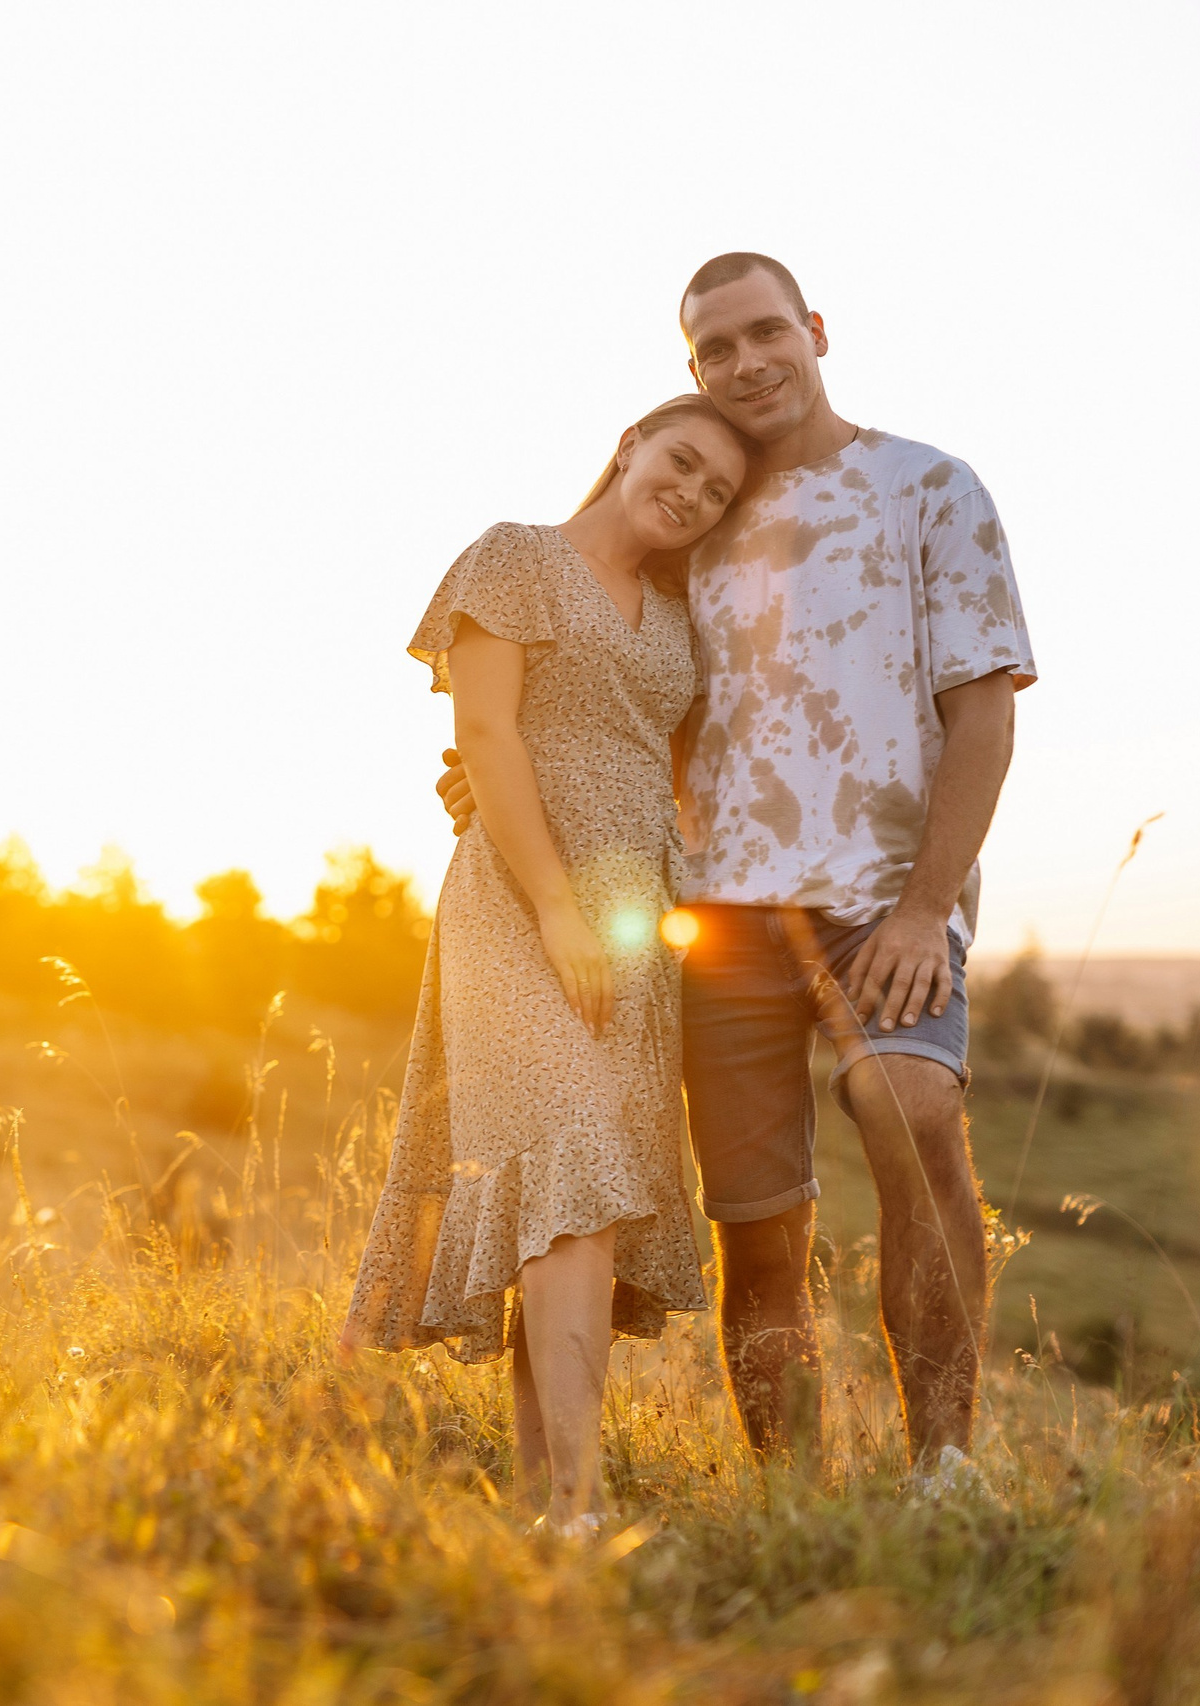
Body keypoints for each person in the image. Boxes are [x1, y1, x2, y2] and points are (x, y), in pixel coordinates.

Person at [439, 254, 1037, 1482]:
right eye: (716, 349)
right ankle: (790, 1494)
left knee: (911, 1114)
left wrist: (927, 906)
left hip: (882, 905)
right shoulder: (689, 521)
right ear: (691, 370)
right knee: (758, 1230)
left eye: (767, 331)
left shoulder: (927, 486)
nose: (747, 361)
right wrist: (493, 774)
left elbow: (982, 711)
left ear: (816, 329)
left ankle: (944, 1471)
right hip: (706, 912)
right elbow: (592, 684)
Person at [340, 395, 754, 1535]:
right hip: (524, 908)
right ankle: (579, 1501)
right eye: (680, 461)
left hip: (633, 918)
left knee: (575, 1204)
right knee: (568, 1163)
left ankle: (545, 1506)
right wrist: (558, 905)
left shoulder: (675, 612)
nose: (691, 492)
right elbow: (488, 734)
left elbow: (678, 768)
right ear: (629, 444)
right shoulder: (514, 555)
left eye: (716, 489)